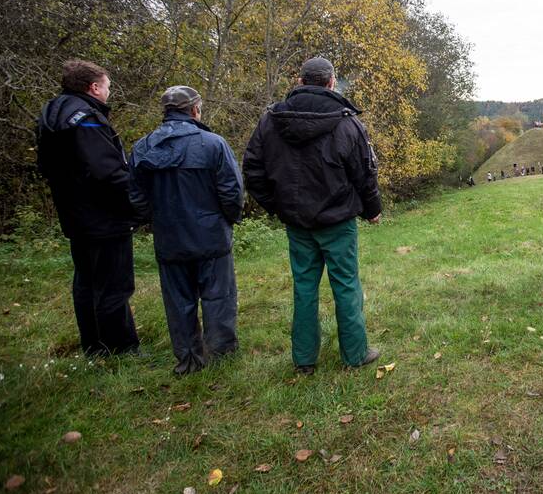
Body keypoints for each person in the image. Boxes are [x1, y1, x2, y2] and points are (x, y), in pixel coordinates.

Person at [243, 57, 382, 375]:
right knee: (346, 285)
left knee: (304, 287)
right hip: (337, 221)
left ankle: (304, 360)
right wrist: (372, 210)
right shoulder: (346, 122)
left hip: (300, 222)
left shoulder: (271, 120)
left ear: (300, 80)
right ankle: (355, 354)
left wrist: (277, 207)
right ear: (331, 82)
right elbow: (365, 172)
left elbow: (252, 170)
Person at [129, 86, 243, 376]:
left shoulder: (143, 147)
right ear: (194, 110)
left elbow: (135, 194)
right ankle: (221, 353)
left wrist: (150, 220)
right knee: (218, 296)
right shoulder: (213, 144)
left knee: (179, 301)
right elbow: (232, 190)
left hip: (170, 237)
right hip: (211, 236)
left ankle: (189, 359)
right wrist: (229, 219)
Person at [36, 60, 140, 356]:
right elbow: (106, 170)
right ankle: (121, 348)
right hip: (104, 215)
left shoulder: (53, 114)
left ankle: (94, 345)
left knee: (86, 282)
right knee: (114, 284)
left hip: (74, 213)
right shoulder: (85, 119)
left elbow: (46, 166)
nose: (109, 92)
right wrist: (135, 196)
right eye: (107, 86)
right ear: (94, 87)